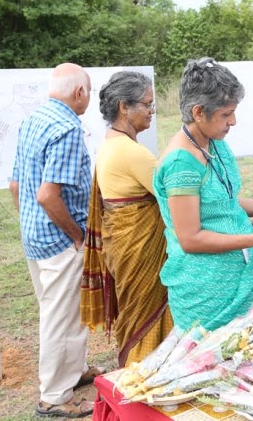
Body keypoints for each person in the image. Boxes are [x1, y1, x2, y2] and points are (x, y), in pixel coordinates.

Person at [153, 58, 253, 331]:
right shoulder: (180, 164)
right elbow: (191, 239)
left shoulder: (213, 143)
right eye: (226, 114)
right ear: (198, 112)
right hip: (207, 290)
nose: (233, 121)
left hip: (239, 276)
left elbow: (223, 205)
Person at [10, 63, 101, 418]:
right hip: (60, 238)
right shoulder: (67, 128)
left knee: (63, 313)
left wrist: (28, 224)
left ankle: (74, 372)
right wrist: (77, 237)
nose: (89, 99)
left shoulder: (34, 118)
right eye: (89, 92)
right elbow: (49, 195)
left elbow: (17, 183)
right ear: (79, 92)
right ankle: (54, 396)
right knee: (61, 318)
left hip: (36, 234)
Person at [80, 71, 172, 368]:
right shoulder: (131, 152)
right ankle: (140, 383)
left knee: (135, 315)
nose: (151, 111)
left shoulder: (109, 145)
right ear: (124, 107)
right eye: (146, 104)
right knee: (144, 316)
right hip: (140, 252)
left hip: (125, 250)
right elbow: (178, 196)